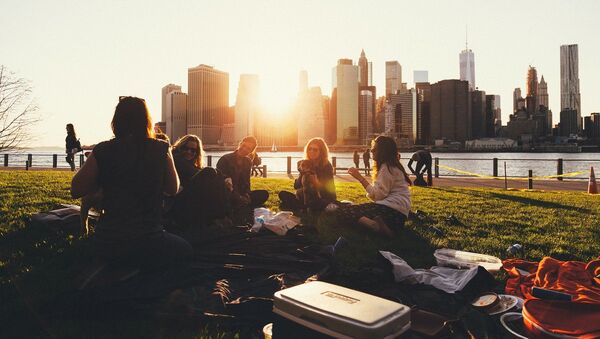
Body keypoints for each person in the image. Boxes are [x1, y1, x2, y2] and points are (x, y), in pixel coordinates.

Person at [71, 96, 192, 269]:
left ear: (116, 121)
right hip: (149, 239)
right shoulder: (161, 148)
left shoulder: (103, 149)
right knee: (186, 249)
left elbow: (76, 189)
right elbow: (173, 189)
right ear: (146, 121)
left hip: (108, 241)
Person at [337, 136, 411, 236]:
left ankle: (374, 225)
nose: (371, 151)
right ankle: (384, 227)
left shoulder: (386, 168)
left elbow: (378, 195)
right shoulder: (394, 166)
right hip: (399, 217)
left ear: (383, 151)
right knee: (357, 210)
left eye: (374, 149)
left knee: (343, 211)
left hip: (389, 210)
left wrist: (360, 178)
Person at [170, 134, 231, 228]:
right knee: (210, 172)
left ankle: (223, 213)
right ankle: (222, 215)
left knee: (216, 175)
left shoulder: (191, 164)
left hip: (191, 199)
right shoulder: (176, 159)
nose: (189, 152)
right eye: (186, 148)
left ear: (197, 152)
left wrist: (226, 178)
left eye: (193, 150)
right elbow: (195, 173)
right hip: (179, 201)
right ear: (180, 148)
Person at [278, 138, 336, 211]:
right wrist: (302, 174)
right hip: (305, 196)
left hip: (322, 196)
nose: (311, 151)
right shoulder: (305, 163)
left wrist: (316, 183)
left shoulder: (326, 166)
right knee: (282, 194)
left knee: (314, 199)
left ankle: (302, 206)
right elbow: (296, 186)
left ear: (321, 151)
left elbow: (328, 190)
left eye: (315, 149)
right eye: (310, 149)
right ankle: (303, 206)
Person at [216, 136, 268, 209]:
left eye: (248, 148)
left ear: (251, 151)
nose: (244, 149)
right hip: (227, 192)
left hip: (241, 192)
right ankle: (240, 203)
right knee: (229, 197)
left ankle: (242, 202)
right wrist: (239, 197)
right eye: (244, 146)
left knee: (264, 194)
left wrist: (247, 194)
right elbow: (222, 182)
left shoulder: (248, 162)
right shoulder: (225, 159)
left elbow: (247, 182)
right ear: (240, 144)